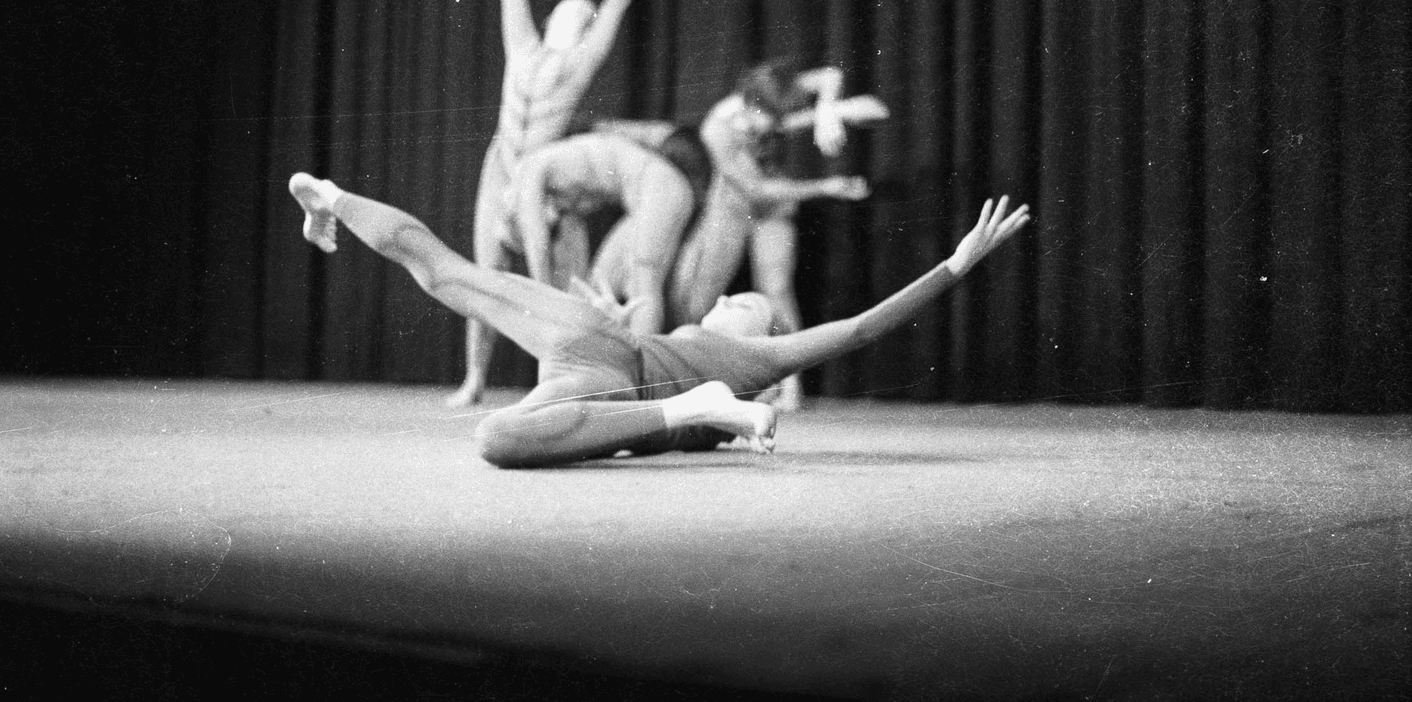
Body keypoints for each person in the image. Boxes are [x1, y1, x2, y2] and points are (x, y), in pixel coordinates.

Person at [288, 172, 1030, 468]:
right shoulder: (730, 370)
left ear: (760, 345)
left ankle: (334, 197)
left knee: (451, 281)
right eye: (733, 296)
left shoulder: (758, 366)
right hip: (611, 361)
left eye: (747, 306)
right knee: (457, 297)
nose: (729, 299)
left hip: (609, 368)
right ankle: (331, 197)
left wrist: (956, 264)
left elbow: (862, 328)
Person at [456, 0, 669, 407]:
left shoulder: (580, 64)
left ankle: (563, 377)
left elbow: (618, 1)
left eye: (588, 13)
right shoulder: (523, 44)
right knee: (485, 281)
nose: (585, 10)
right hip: (499, 168)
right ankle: (475, 378)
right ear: (555, 16)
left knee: (559, 290)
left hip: (547, 187)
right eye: (577, 7)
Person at [599, 63, 889, 409]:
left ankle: (789, 381)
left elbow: (846, 88)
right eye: (771, 119)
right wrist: (825, 186)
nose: (774, 128)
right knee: (696, 303)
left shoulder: (780, 93)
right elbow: (756, 190)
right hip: (735, 205)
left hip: (774, 204)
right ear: (750, 104)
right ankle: (691, 381)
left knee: (777, 287)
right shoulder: (717, 129)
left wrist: (828, 109)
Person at [509, 132, 696, 337]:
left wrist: (544, 299)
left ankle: (643, 366)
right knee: (595, 292)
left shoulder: (530, 170)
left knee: (643, 285)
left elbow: (536, 242)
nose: (550, 220)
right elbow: (574, 280)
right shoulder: (561, 196)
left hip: (661, 185)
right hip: (648, 197)